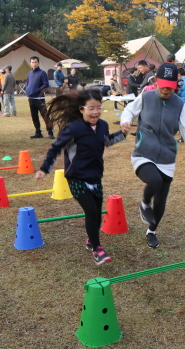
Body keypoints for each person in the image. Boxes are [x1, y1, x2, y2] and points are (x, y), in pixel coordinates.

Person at [36, 89, 129, 265]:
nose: (95, 112)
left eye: (98, 107)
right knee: (91, 212)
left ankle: (90, 239)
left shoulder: (102, 125)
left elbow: (106, 141)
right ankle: (97, 249)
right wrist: (44, 168)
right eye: (91, 108)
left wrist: (122, 134)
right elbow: (56, 148)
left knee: (96, 213)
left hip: (95, 176)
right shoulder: (74, 128)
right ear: (81, 109)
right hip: (76, 177)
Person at [121, 63, 185, 248]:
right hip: (144, 152)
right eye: (163, 85)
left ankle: (151, 230)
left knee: (161, 200)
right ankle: (144, 203)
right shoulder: (146, 96)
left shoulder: (179, 104)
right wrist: (126, 120)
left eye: (171, 85)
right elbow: (129, 110)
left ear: (176, 84)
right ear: (157, 82)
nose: (166, 89)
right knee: (154, 181)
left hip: (166, 156)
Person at [26, 56, 55, 139]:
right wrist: (27, 90)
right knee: (34, 116)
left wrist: (37, 90)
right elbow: (28, 83)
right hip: (31, 98)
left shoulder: (42, 73)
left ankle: (50, 132)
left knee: (45, 115)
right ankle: (38, 132)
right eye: (32, 62)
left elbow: (46, 84)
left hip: (39, 99)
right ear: (30, 63)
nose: (34, 64)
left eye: (35, 62)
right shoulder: (29, 73)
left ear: (38, 63)